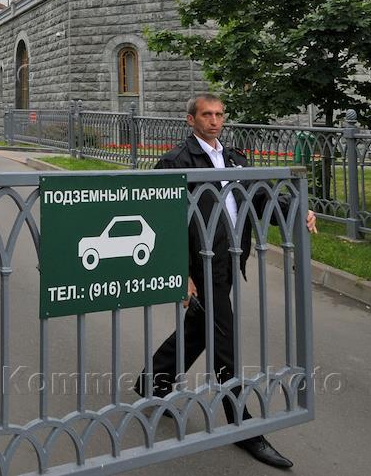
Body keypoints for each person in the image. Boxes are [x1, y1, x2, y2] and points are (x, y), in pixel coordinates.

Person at [135, 93, 317, 470]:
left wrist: (298, 211)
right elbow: (161, 220)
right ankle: (242, 426)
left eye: (219, 114)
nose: (214, 121)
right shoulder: (175, 162)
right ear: (191, 120)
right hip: (198, 264)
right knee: (224, 340)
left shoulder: (235, 158)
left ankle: (151, 384)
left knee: (200, 329)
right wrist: (180, 273)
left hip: (229, 260)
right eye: (206, 115)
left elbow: (259, 197)